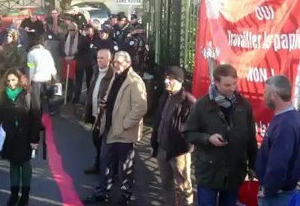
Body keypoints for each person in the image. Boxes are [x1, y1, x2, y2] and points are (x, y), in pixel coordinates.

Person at [183, 64, 258, 206]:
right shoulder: (202, 105)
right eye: (227, 85)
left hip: (234, 172)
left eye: (235, 83)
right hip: (209, 173)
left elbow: (251, 139)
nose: (232, 88)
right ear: (216, 83)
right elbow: (188, 133)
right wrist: (208, 138)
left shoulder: (244, 106)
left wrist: (253, 165)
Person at [84, 51, 147, 205]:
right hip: (110, 128)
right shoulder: (116, 77)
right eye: (115, 62)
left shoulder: (134, 81)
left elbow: (140, 107)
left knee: (125, 167)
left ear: (128, 63)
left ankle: (125, 195)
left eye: (119, 62)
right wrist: (104, 103)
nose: (116, 65)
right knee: (106, 162)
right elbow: (112, 95)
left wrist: (125, 124)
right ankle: (102, 193)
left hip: (124, 132)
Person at [0, 69, 40, 206]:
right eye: (8, 81)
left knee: (25, 164)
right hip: (10, 136)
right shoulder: (3, 95)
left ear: (20, 80)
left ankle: (25, 195)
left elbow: (36, 117)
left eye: (14, 80)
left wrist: (35, 140)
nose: (11, 84)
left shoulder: (28, 94)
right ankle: (13, 195)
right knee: (13, 164)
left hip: (25, 136)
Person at [151, 66, 196, 206]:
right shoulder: (164, 97)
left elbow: (194, 129)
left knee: (184, 187)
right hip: (162, 149)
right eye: (166, 78)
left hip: (179, 153)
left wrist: (185, 148)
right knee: (166, 185)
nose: (166, 81)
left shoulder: (189, 102)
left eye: (171, 79)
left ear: (180, 81)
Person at [256, 75, 300, 205]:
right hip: (284, 192)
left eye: (266, 92)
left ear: (274, 94)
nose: (264, 96)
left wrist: (268, 190)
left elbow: (278, 165)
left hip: (277, 196)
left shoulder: (284, 125)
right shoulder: (292, 117)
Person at [84, 48, 114, 174]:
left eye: (102, 58)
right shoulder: (96, 70)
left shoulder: (112, 75)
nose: (99, 60)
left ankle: (107, 169)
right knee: (96, 141)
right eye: (98, 58)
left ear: (109, 59)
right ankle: (98, 165)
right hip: (95, 113)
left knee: (105, 144)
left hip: (105, 116)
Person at [27, 34, 57, 115]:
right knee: (49, 95)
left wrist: (29, 81)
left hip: (36, 78)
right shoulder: (47, 52)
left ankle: (37, 112)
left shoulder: (31, 54)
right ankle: (52, 110)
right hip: (47, 77)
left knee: (36, 98)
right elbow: (52, 64)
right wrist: (54, 75)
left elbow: (31, 68)